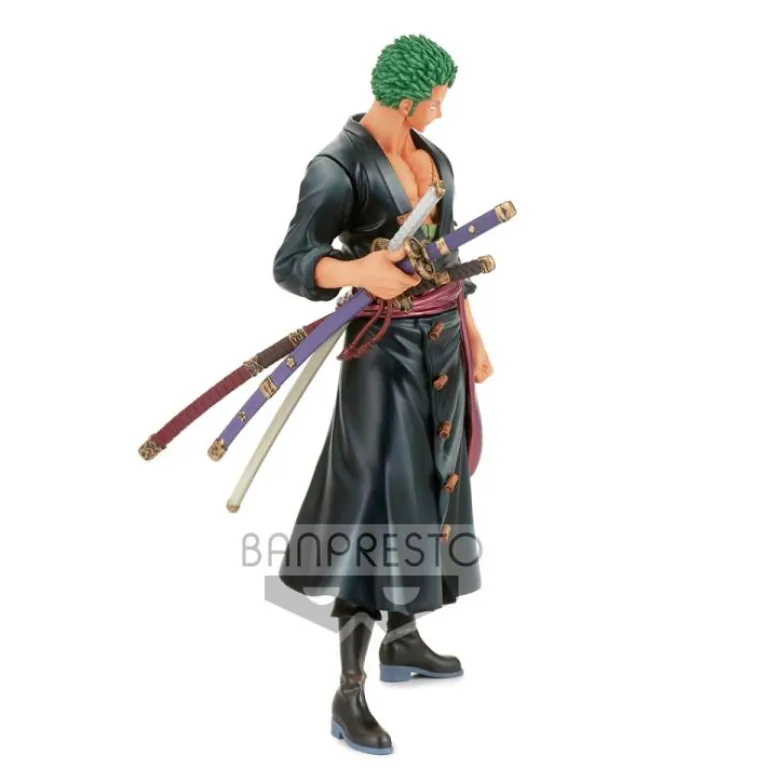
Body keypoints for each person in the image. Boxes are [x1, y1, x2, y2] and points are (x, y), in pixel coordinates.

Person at [272, 34, 494, 755]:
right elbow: (292, 263)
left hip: (442, 347)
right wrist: (357, 271)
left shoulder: (435, 162)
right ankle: (348, 691)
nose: (441, 112)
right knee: (374, 507)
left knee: (431, 487)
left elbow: (444, 260)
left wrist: (472, 336)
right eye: (435, 101)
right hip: (382, 356)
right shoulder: (337, 169)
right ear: (406, 99)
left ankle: (404, 640)